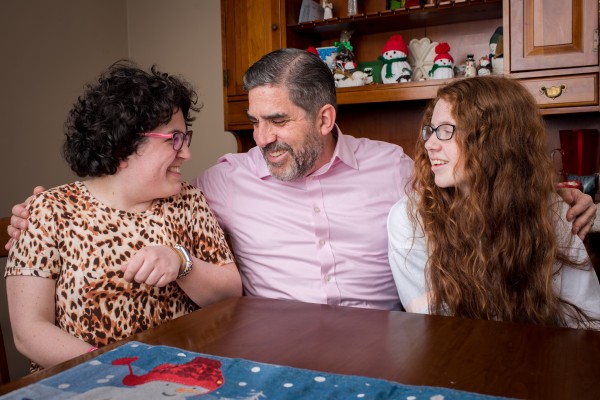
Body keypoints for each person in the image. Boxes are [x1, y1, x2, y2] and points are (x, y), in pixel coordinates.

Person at [6, 49, 597, 311]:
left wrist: (564, 200)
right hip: (272, 350)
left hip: (389, 344)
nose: (260, 138)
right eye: (254, 122)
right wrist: (40, 212)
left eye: (278, 121)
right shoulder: (222, 181)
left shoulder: (393, 168)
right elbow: (131, 192)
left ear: (324, 118)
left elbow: (482, 195)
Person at [4, 61, 241, 372]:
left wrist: (182, 262)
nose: (186, 154)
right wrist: (118, 369)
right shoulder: (48, 212)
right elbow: (29, 332)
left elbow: (231, 293)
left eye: (186, 138)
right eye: (174, 139)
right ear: (122, 146)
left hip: (181, 375)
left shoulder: (189, 202)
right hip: (85, 382)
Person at [388, 76, 600, 328]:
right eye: (431, 131)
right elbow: (433, 329)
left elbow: (588, 322)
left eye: (446, 130)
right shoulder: (411, 218)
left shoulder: (551, 211)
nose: (429, 144)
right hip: (452, 361)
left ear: (493, 140)